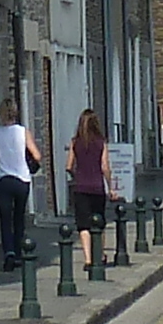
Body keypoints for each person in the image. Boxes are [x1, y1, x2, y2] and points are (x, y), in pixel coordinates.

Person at [0, 99, 39, 278]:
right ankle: (18, 253)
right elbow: (37, 155)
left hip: (3, 180)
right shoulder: (23, 132)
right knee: (18, 217)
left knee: (5, 219)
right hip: (21, 180)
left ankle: (8, 253)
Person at [68, 107, 110, 266]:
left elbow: (68, 165)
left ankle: (88, 259)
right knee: (99, 221)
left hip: (81, 188)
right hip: (97, 187)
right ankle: (100, 254)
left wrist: (76, 175)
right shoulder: (101, 142)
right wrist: (110, 186)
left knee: (83, 224)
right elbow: (104, 166)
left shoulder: (75, 142)